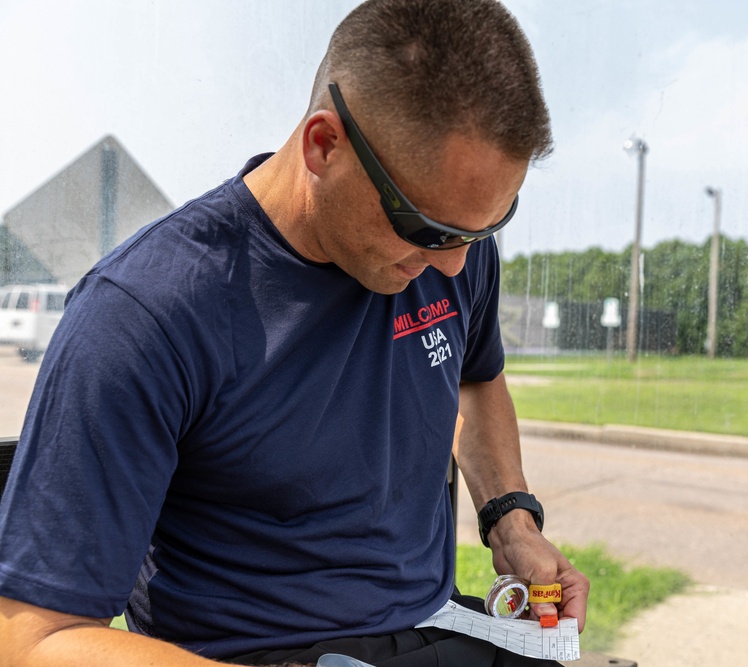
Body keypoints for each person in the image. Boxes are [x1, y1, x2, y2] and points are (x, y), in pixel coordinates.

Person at [0, 1, 589, 665]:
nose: (454, 263)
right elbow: (33, 640)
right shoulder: (145, 315)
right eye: (430, 229)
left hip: (438, 627)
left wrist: (510, 519)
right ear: (324, 145)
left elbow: (476, 379)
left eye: (484, 227)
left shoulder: (452, 245)